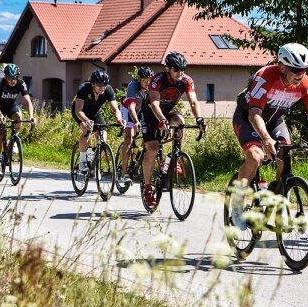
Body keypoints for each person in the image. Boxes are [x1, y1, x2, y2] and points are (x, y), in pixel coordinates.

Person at [233, 42, 308, 191]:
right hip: (248, 117)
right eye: (296, 70)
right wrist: (266, 139)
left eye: (304, 69)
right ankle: (238, 201)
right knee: (255, 157)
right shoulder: (265, 77)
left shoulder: (306, 84)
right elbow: (254, 114)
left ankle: (277, 195)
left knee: (286, 157)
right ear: (282, 67)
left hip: (274, 120)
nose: (300, 74)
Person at [141, 51, 207, 208]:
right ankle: (148, 188)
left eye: (182, 70)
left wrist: (199, 119)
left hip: (168, 110)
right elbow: (155, 104)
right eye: (176, 70)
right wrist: (161, 120)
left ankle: (175, 156)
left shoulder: (186, 81)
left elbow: (193, 102)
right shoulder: (157, 80)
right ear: (168, 69)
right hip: (150, 112)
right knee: (152, 148)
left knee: (180, 121)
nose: (180, 73)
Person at [71, 69, 125, 174]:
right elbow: (78, 110)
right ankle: (82, 161)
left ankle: (92, 157)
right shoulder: (83, 89)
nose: (102, 87)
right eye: (99, 85)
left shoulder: (108, 90)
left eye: (104, 84)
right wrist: (86, 121)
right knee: (86, 130)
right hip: (81, 113)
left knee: (102, 137)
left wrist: (119, 119)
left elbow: (115, 109)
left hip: (95, 113)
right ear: (92, 84)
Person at [0, 63, 36, 176]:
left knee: (18, 118)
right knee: (0, 133)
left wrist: (31, 116)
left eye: (15, 78)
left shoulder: (21, 83)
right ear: (6, 77)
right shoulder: (0, 84)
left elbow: (28, 101)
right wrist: (0, 116)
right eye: (11, 78)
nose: (13, 81)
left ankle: (13, 141)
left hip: (11, 106)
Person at [118, 66, 153, 183]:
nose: (148, 82)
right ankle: (124, 173)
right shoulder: (133, 86)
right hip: (128, 109)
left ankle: (138, 158)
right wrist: (136, 122)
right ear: (139, 80)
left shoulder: (152, 87)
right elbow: (131, 107)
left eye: (149, 80)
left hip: (141, 110)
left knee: (149, 136)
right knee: (129, 137)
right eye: (144, 80)